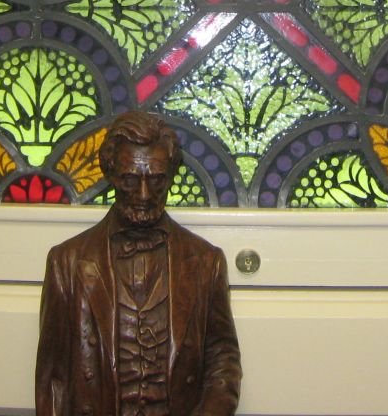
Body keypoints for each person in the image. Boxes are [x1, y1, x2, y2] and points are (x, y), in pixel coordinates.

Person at [36, 111, 241, 416]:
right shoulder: (66, 262)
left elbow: (223, 361)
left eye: (156, 179)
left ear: (170, 176)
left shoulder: (206, 261)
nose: (144, 194)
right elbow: (53, 379)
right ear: (110, 174)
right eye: (131, 179)